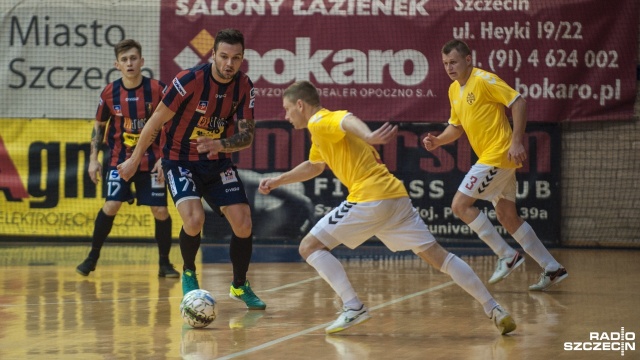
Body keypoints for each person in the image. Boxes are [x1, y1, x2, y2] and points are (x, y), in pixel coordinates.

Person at [258, 80, 516, 335]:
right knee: (440, 257)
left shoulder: (320, 121)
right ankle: (494, 308)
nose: (286, 115)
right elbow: (314, 166)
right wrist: (279, 180)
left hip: (370, 197)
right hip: (395, 198)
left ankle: (353, 307)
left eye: (287, 108)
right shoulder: (320, 134)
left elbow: (345, 118)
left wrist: (369, 135)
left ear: (300, 105)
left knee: (309, 247)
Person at [117, 29, 266, 310]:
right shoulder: (188, 81)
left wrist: (220, 144)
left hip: (217, 162)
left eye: (236, 58)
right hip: (179, 160)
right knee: (194, 220)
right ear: (213, 55)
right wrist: (135, 159)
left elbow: (247, 136)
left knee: (243, 222)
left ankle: (239, 285)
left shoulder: (244, 86)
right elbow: (155, 120)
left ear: (242, 58)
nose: (229, 64)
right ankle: (188, 271)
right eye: (223, 56)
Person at [423, 39, 568, 291]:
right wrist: (438, 141)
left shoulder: (484, 80)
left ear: (468, 60)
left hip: (498, 154)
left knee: (459, 205)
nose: (449, 67)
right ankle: (552, 267)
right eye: (445, 63)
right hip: (494, 158)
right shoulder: (453, 90)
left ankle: (506, 254)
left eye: (454, 62)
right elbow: (456, 127)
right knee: (506, 215)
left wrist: (516, 142)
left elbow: (518, 101)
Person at [76, 39, 179, 279]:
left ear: (142, 62)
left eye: (133, 58)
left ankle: (164, 264)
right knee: (111, 205)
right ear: (117, 64)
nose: (129, 63)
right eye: (124, 60)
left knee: (160, 210)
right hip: (119, 161)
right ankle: (92, 257)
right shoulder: (110, 92)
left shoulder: (157, 89)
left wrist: (165, 157)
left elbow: (173, 123)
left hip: (152, 160)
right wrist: (93, 159)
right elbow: (99, 126)